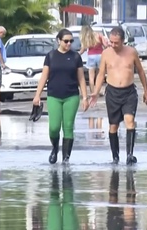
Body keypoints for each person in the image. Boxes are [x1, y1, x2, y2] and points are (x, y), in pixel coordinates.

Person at [89, 27, 147, 165]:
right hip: (112, 93)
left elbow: (140, 71)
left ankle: (129, 155)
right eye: (111, 42)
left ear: (123, 41)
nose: (113, 45)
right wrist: (96, 91)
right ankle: (115, 157)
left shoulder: (131, 52)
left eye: (116, 42)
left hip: (129, 93)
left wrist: (146, 90)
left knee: (130, 121)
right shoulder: (106, 53)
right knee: (113, 126)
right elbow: (100, 74)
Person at [33, 28, 89, 164]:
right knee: (54, 127)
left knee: (68, 126)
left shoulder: (76, 57)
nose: (69, 44)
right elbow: (44, 77)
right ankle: (54, 148)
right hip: (54, 96)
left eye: (71, 41)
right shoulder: (51, 56)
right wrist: (37, 95)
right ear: (59, 41)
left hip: (72, 96)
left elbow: (81, 79)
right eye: (66, 41)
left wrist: (85, 97)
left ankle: (66, 158)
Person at [79, 25, 108, 94]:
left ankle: (92, 92)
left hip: (91, 56)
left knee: (91, 77)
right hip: (100, 56)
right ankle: (98, 91)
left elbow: (83, 50)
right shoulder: (99, 35)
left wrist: (77, 54)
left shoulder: (86, 38)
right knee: (99, 76)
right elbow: (105, 46)